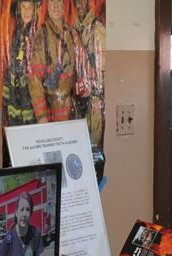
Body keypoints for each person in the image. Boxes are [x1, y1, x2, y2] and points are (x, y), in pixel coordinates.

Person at [28, 0, 74, 123]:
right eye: (52, 1)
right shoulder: (42, 35)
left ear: (64, 5)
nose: (55, 6)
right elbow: (34, 79)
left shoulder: (71, 33)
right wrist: (41, 115)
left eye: (59, 1)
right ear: (47, 5)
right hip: (51, 112)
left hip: (70, 109)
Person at [71, 0, 104, 147]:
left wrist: (97, 95)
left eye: (83, 1)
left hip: (94, 101)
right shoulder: (73, 29)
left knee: (92, 149)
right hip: (78, 99)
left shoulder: (98, 29)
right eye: (77, 2)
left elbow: (103, 68)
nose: (80, 5)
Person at [2, 0, 39, 126]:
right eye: (23, 7)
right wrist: (5, 99)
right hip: (15, 103)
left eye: (29, 7)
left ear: (35, 10)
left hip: (31, 105)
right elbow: (12, 67)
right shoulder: (17, 33)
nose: (26, 11)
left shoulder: (38, 33)